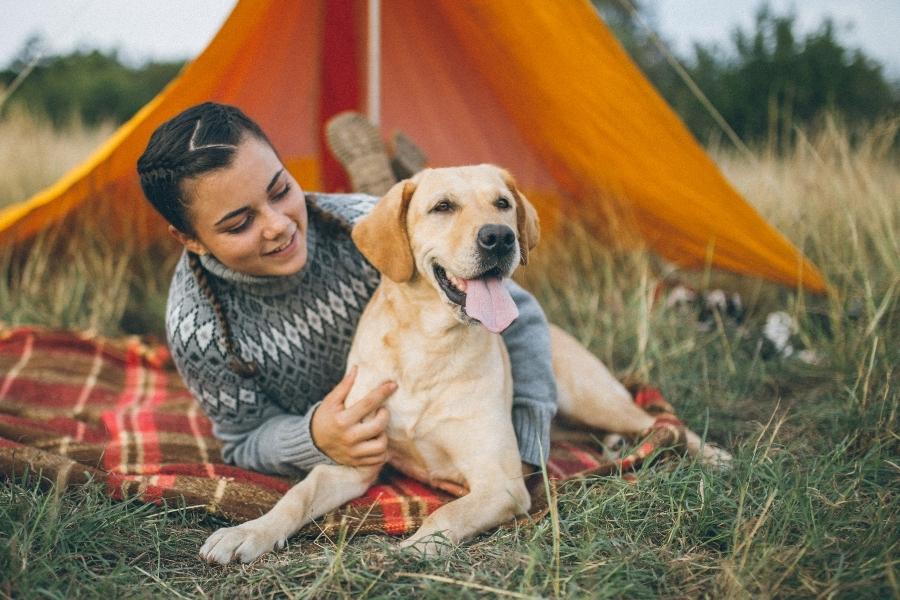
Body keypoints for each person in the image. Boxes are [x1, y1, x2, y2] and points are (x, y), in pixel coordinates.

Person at [137, 102, 557, 479]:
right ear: (189, 239)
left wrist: (528, 430)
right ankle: (384, 171)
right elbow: (243, 439)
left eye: (281, 190)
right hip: (358, 418)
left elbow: (517, 313)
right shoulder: (198, 327)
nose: (278, 224)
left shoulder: (361, 227)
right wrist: (313, 436)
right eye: (239, 223)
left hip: (419, 368)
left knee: (384, 206)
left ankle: (384, 177)